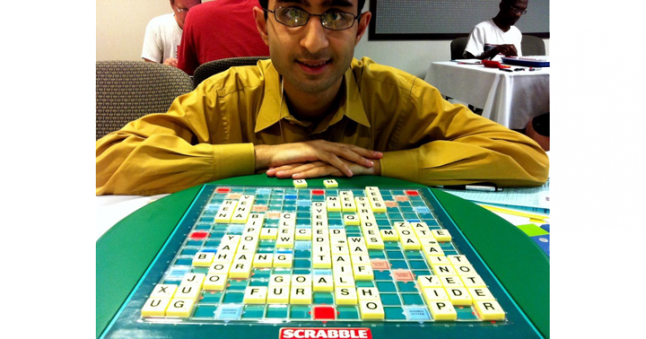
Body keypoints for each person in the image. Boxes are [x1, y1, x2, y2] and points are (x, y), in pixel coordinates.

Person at [97, 0, 549, 196]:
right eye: (292, 13)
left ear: (361, 27)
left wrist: (373, 163)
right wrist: (263, 154)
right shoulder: (224, 96)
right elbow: (104, 163)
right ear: (262, 25)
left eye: (335, 14)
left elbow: (528, 159)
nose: (314, 43)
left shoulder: (398, 96)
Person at [178, 0, 270, 75]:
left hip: (215, 96)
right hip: (274, 95)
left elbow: (184, 79)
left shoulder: (195, 15)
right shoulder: (274, 13)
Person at [141, 0, 202, 68]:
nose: (189, 15)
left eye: (194, 9)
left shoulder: (207, 27)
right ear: (172, 4)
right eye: (184, 9)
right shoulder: (156, 26)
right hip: (168, 78)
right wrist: (165, 69)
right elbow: (150, 72)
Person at [463, 0, 528, 60]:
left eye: (522, 10)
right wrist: (495, 50)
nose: (518, 14)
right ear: (502, 5)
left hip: (508, 71)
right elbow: (470, 61)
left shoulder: (516, 33)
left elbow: (517, 60)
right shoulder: (480, 29)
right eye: (515, 8)